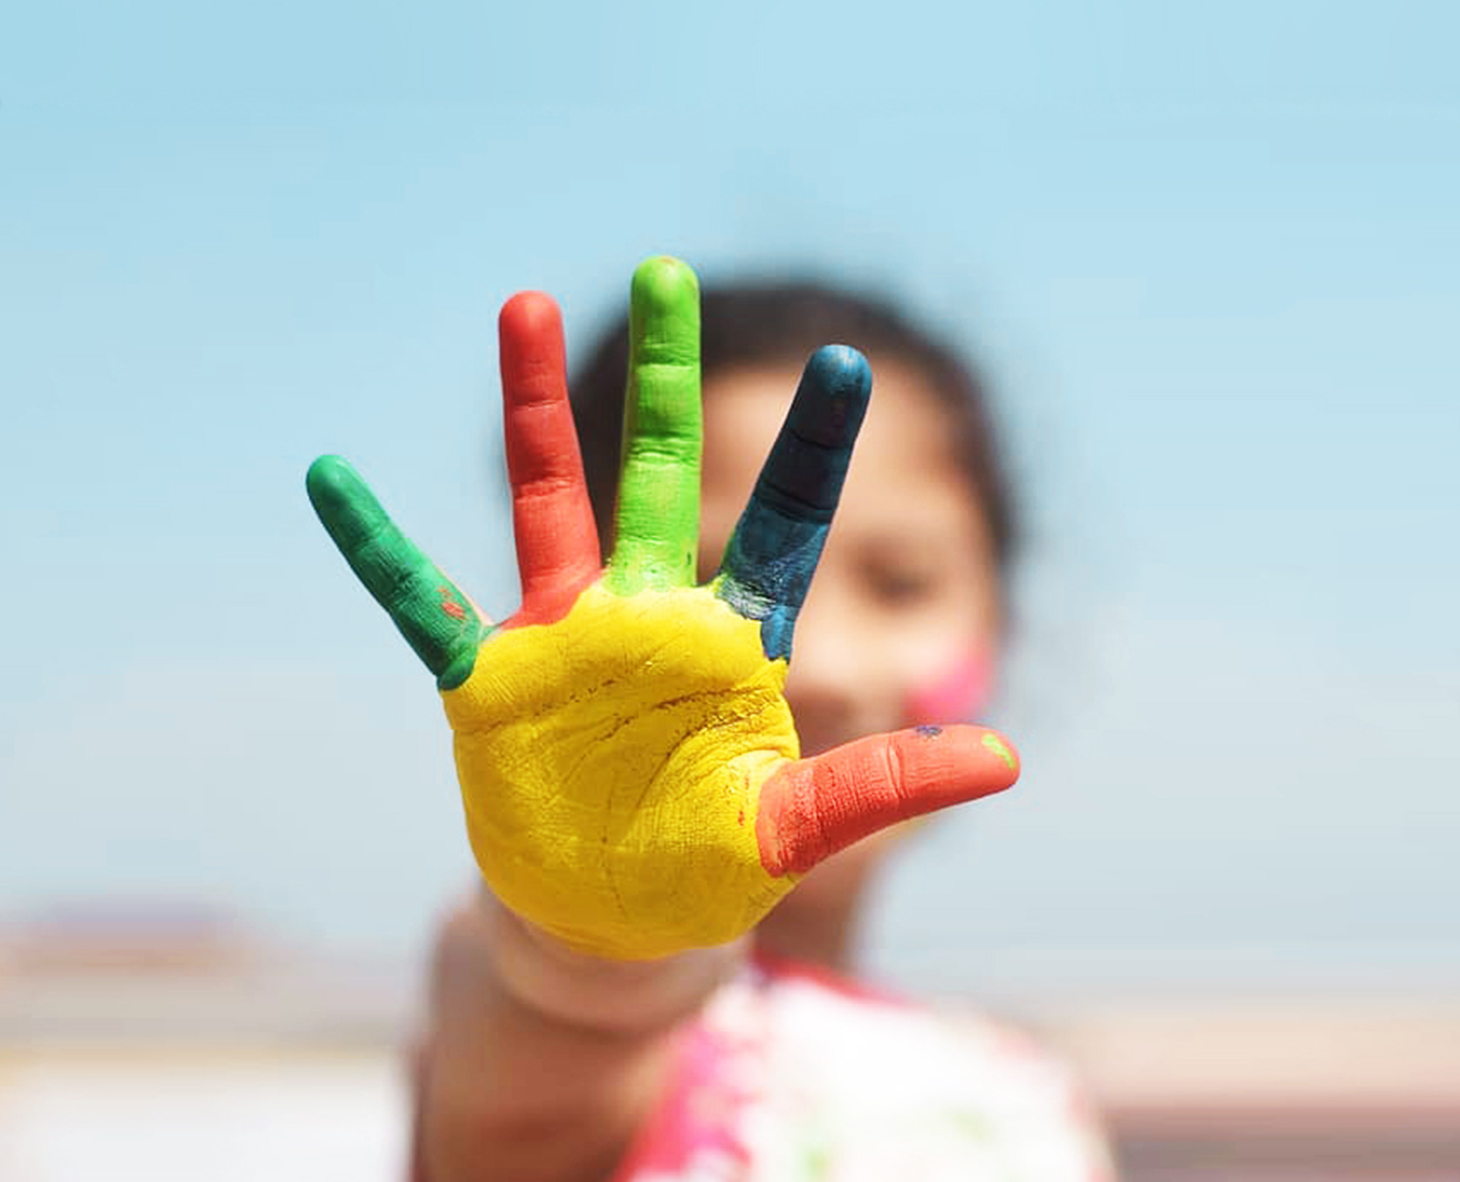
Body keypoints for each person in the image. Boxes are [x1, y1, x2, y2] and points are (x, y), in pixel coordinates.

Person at [307, 257, 1115, 1181]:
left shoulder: (1021, 1096)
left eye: (902, 584)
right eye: (709, 586)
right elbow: (555, 1026)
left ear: (997, 614)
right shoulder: (554, 991)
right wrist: (603, 939)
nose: (823, 668)